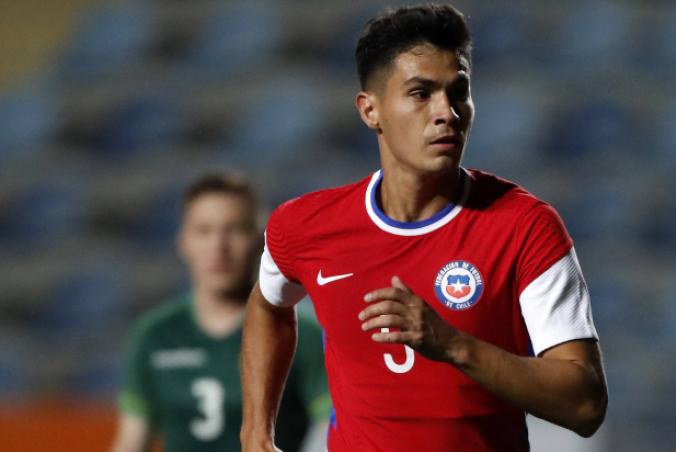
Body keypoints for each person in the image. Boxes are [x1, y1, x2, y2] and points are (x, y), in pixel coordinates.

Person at [240, 4, 608, 451]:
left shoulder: (525, 227)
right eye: (421, 93)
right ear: (370, 110)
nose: (446, 112)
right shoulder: (304, 226)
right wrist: (256, 432)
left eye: (458, 92)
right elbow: (268, 306)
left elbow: (585, 405)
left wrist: (452, 345)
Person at [110, 172, 330, 452]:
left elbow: (329, 431)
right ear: (184, 242)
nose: (219, 247)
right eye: (204, 231)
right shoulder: (155, 335)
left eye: (235, 230)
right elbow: (132, 440)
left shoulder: (301, 332)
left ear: (260, 241)